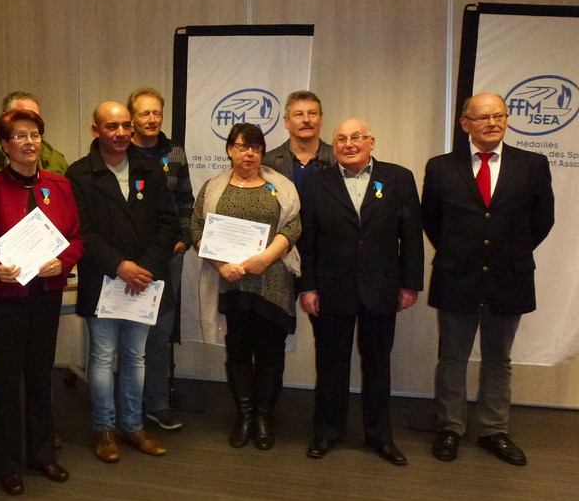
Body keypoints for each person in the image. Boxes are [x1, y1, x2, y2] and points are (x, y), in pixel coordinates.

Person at [422, 92, 554, 466]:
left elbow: (543, 219)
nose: (493, 123)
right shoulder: (441, 167)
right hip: (456, 276)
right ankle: (450, 427)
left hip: (509, 277)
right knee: (452, 358)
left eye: (499, 115)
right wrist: (462, 252)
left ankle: (494, 430)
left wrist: (507, 252)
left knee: (499, 359)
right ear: (466, 124)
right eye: (483, 117)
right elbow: (431, 219)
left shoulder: (532, 164)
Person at [0, 109, 83, 495]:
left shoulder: (59, 186)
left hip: (45, 295)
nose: (29, 143)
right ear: (4, 145)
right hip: (5, 297)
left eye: (34, 135)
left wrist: (63, 261)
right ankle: (7, 461)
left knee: (40, 375)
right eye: (19, 136)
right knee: (4, 379)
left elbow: (76, 237)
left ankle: (42, 454)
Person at [298, 119, 424, 465]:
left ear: (372, 142)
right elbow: (307, 241)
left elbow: (411, 235)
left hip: (381, 288)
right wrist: (307, 287)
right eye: (341, 139)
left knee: (378, 366)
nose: (348, 144)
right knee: (331, 366)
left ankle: (380, 436)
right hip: (330, 290)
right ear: (334, 146)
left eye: (356, 137)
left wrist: (410, 283)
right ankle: (327, 432)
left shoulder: (399, 178)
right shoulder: (317, 183)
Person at [66, 101, 178, 463]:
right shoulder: (79, 174)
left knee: (135, 356)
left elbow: (168, 224)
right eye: (111, 127)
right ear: (96, 130)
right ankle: (105, 430)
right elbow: (81, 230)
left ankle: (133, 426)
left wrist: (143, 268)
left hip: (143, 280)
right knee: (101, 357)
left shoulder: (150, 168)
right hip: (104, 278)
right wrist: (119, 265)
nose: (121, 133)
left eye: (125, 126)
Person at [191, 123, 300, 450]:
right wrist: (219, 265)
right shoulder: (213, 187)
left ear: (262, 151)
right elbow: (196, 227)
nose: (249, 153)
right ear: (229, 150)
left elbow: (294, 226)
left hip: (272, 281)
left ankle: (264, 418)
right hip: (231, 282)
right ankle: (245, 416)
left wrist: (265, 258)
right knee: (238, 350)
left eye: (255, 147)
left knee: (271, 352)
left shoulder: (281, 187)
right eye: (241, 146)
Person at [128, 86, 194, 432]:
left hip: (169, 257)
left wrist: (184, 239)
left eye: (157, 112)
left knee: (160, 334)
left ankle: (156, 404)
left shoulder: (175, 152)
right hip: (132, 260)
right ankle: (128, 406)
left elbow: (186, 201)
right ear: (132, 118)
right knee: (130, 335)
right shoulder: (121, 152)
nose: (152, 119)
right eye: (145, 113)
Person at [262, 90, 336, 193]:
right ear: (286, 121)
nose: (306, 120)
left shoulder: (337, 159)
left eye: (312, 113)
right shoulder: (267, 163)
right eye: (299, 114)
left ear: (321, 119)